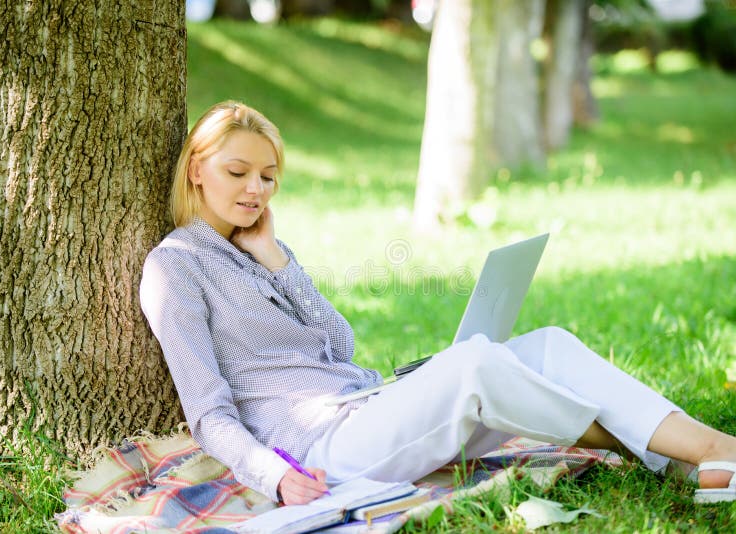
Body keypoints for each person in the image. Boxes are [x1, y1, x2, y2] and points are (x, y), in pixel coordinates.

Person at [140, 100, 736, 506]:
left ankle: (700, 457)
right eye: (238, 171)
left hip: (369, 406)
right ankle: (706, 452)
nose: (256, 190)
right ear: (197, 168)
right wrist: (276, 480)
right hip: (321, 449)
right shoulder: (175, 267)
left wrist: (277, 259)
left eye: (268, 177)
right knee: (477, 364)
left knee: (546, 345)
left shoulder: (261, 246)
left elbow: (339, 345)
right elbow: (208, 410)